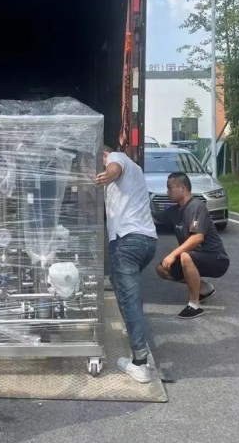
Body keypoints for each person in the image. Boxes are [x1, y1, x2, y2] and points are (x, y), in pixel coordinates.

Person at [96, 145, 158, 384]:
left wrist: (107, 174)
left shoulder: (116, 157)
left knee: (129, 298)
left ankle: (140, 363)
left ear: (103, 155)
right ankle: (134, 333)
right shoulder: (137, 170)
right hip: (147, 242)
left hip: (126, 242)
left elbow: (114, 167)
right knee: (123, 289)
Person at [154, 171, 229, 319]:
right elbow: (152, 218)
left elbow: (197, 238)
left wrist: (172, 254)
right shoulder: (174, 211)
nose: (167, 192)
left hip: (216, 258)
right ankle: (204, 288)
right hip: (193, 257)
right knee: (162, 269)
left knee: (185, 256)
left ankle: (194, 305)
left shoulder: (196, 206)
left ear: (182, 188)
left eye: (169, 187)